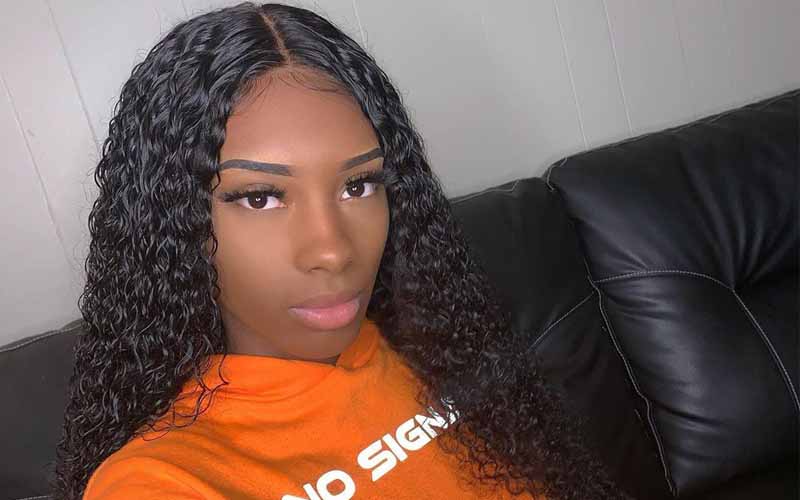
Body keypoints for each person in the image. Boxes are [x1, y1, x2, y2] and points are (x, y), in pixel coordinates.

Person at [53, 3, 629, 499]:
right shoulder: (160, 482)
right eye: (260, 197)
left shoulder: (435, 345)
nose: (332, 251)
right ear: (175, 222)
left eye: (358, 186)